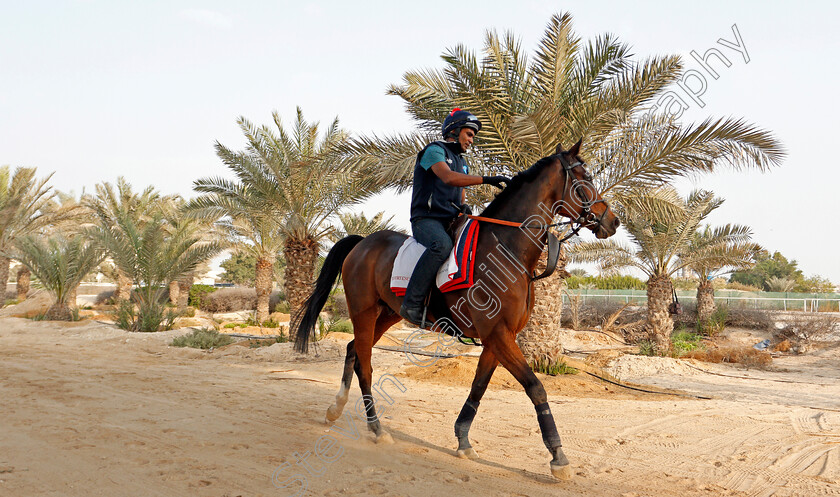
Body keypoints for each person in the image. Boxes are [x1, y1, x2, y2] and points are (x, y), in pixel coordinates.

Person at [399, 108, 511, 326]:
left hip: (451, 219)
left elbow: (460, 192)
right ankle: (411, 303)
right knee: (441, 245)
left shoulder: (462, 161)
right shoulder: (434, 151)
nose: (471, 140)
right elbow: (449, 178)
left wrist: (464, 207)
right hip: (427, 220)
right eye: (469, 134)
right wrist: (487, 179)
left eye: (473, 137)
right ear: (455, 129)